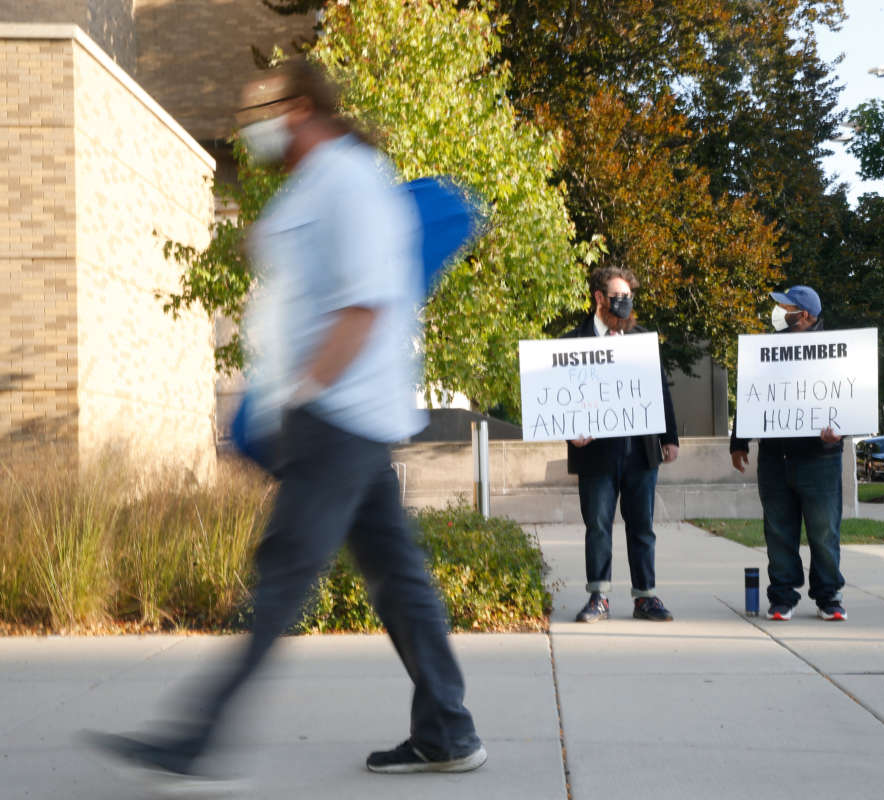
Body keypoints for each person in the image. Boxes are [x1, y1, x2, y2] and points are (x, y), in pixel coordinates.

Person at [85, 60, 486, 787]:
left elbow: (363, 307)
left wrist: (300, 396)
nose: (251, 127)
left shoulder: (353, 180)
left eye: (260, 112)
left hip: (336, 419)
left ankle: (195, 737)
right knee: (397, 577)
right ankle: (448, 732)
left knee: (279, 579)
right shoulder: (318, 183)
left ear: (300, 107)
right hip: (341, 420)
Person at [564, 266, 680, 623]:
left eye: (629, 297)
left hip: (640, 451)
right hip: (595, 453)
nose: (626, 303)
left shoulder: (642, 340)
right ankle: (598, 596)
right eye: (619, 297)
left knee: (642, 526)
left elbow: (660, 389)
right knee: (598, 526)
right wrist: (570, 429)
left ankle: (645, 596)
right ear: (599, 298)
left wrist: (670, 438)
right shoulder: (571, 343)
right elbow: (561, 397)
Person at [730, 285, 847, 622]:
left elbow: (851, 398)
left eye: (785, 307)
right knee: (778, 531)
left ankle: (829, 597)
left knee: (824, 533)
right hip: (774, 457)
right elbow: (751, 395)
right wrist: (739, 442)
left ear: (805, 315)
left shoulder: (835, 352)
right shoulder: (765, 351)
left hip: (820, 457)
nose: (778, 312)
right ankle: (782, 596)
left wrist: (840, 429)